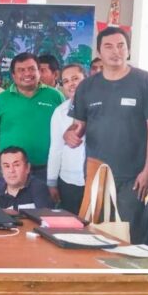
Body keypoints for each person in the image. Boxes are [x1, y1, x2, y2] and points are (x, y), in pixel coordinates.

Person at [65, 27, 148, 227]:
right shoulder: (87, 86)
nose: (115, 51)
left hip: (134, 176)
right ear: (99, 52)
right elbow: (78, 125)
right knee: (94, 231)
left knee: (127, 233)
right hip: (97, 173)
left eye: (120, 46)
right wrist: (69, 135)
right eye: (108, 46)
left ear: (128, 50)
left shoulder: (145, 81)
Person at [0, 52, 64, 186]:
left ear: (39, 71)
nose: (27, 73)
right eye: (21, 70)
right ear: (13, 75)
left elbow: (66, 132)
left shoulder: (55, 96)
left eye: (31, 69)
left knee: (46, 201)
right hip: (10, 172)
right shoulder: (1, 100)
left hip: (47, 171)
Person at [47, 64, 87, 213]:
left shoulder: (101, 106)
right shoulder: (60, 112)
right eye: (66, 81)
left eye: (75, 78)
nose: (71, 84)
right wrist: (52, 182)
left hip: (97, 179)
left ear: (86, 79)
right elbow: (56, 149)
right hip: (69, 181)